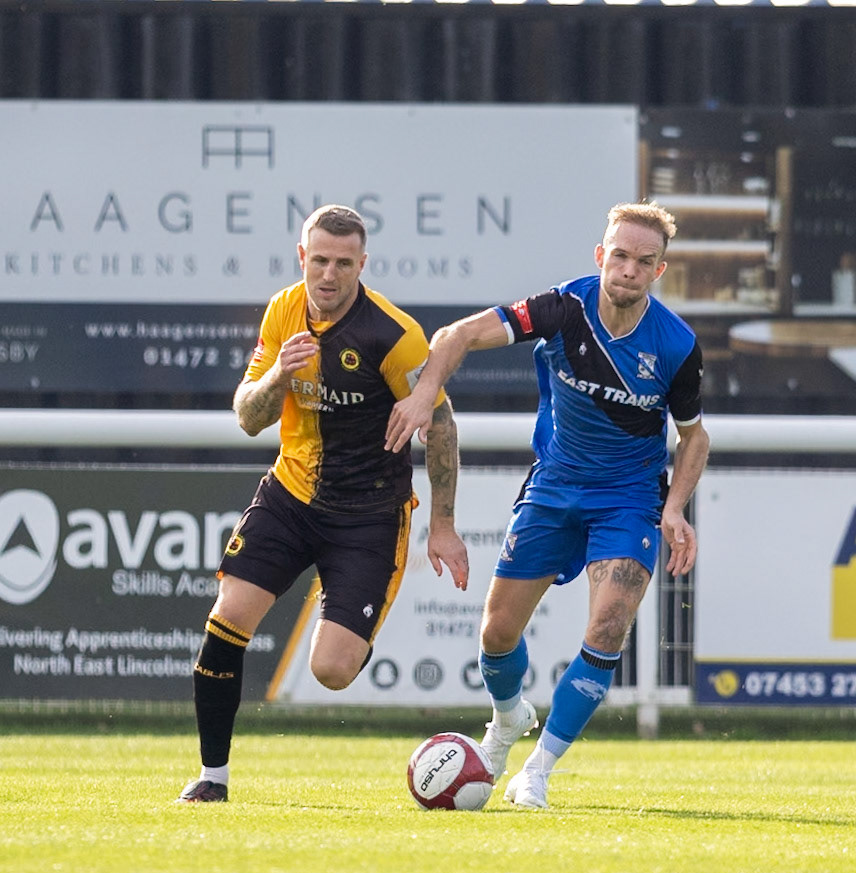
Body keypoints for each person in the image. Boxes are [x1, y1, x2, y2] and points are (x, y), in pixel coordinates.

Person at [384, 201, 709, 810]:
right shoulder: (563, 308)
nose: (629, 270)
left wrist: (676, 507)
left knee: (608, 626)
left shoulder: (675, 345)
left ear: (660, 271)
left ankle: (537, 770)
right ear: (600, 256)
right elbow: (455, 335)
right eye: (620, 256)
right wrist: (426, 392)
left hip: (629, 497)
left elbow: (695, 437)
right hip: (554, 486)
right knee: (497, 633)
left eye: (645, 261)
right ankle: (507, 721)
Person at [177, 205, 470, 803]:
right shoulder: (285, 310)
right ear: (301, 257)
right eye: (319, 260)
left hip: (369, 513)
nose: (329, 275)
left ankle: (353, 636)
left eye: (343, 263)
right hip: (290, 494)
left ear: (363, 264)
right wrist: (278, 378)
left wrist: (443, 525)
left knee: (331, 671)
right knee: (228, 616)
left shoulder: (393, 335)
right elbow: (248, 418)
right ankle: (213, 778)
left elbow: (439, 426)